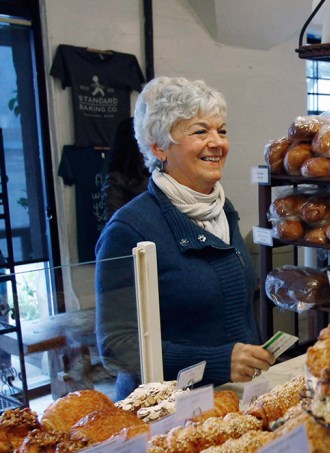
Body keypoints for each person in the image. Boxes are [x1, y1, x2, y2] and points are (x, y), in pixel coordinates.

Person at [95, 77, 274, 399]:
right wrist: (218, 362)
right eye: (200, 132)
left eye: (222, 131)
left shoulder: (221, 210)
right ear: (159, 147)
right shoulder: (129, 229)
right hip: (165, 409)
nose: (217, 143)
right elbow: (117, 347)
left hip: (231, 398)